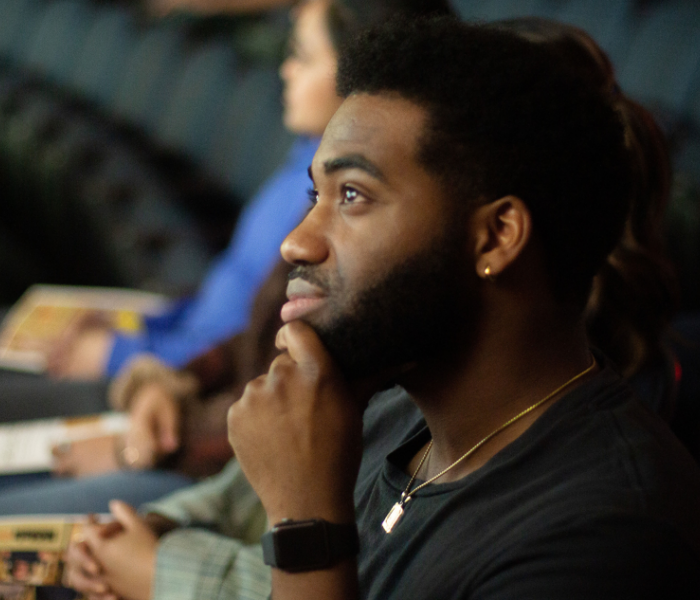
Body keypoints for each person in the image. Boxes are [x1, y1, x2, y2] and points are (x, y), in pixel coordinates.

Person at [223, 15, 700, 599]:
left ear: (497, 236)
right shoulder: (394, 414)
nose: (296, 242)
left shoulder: (611, 531)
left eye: (352, 195)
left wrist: (304, 526)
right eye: (313, 195)